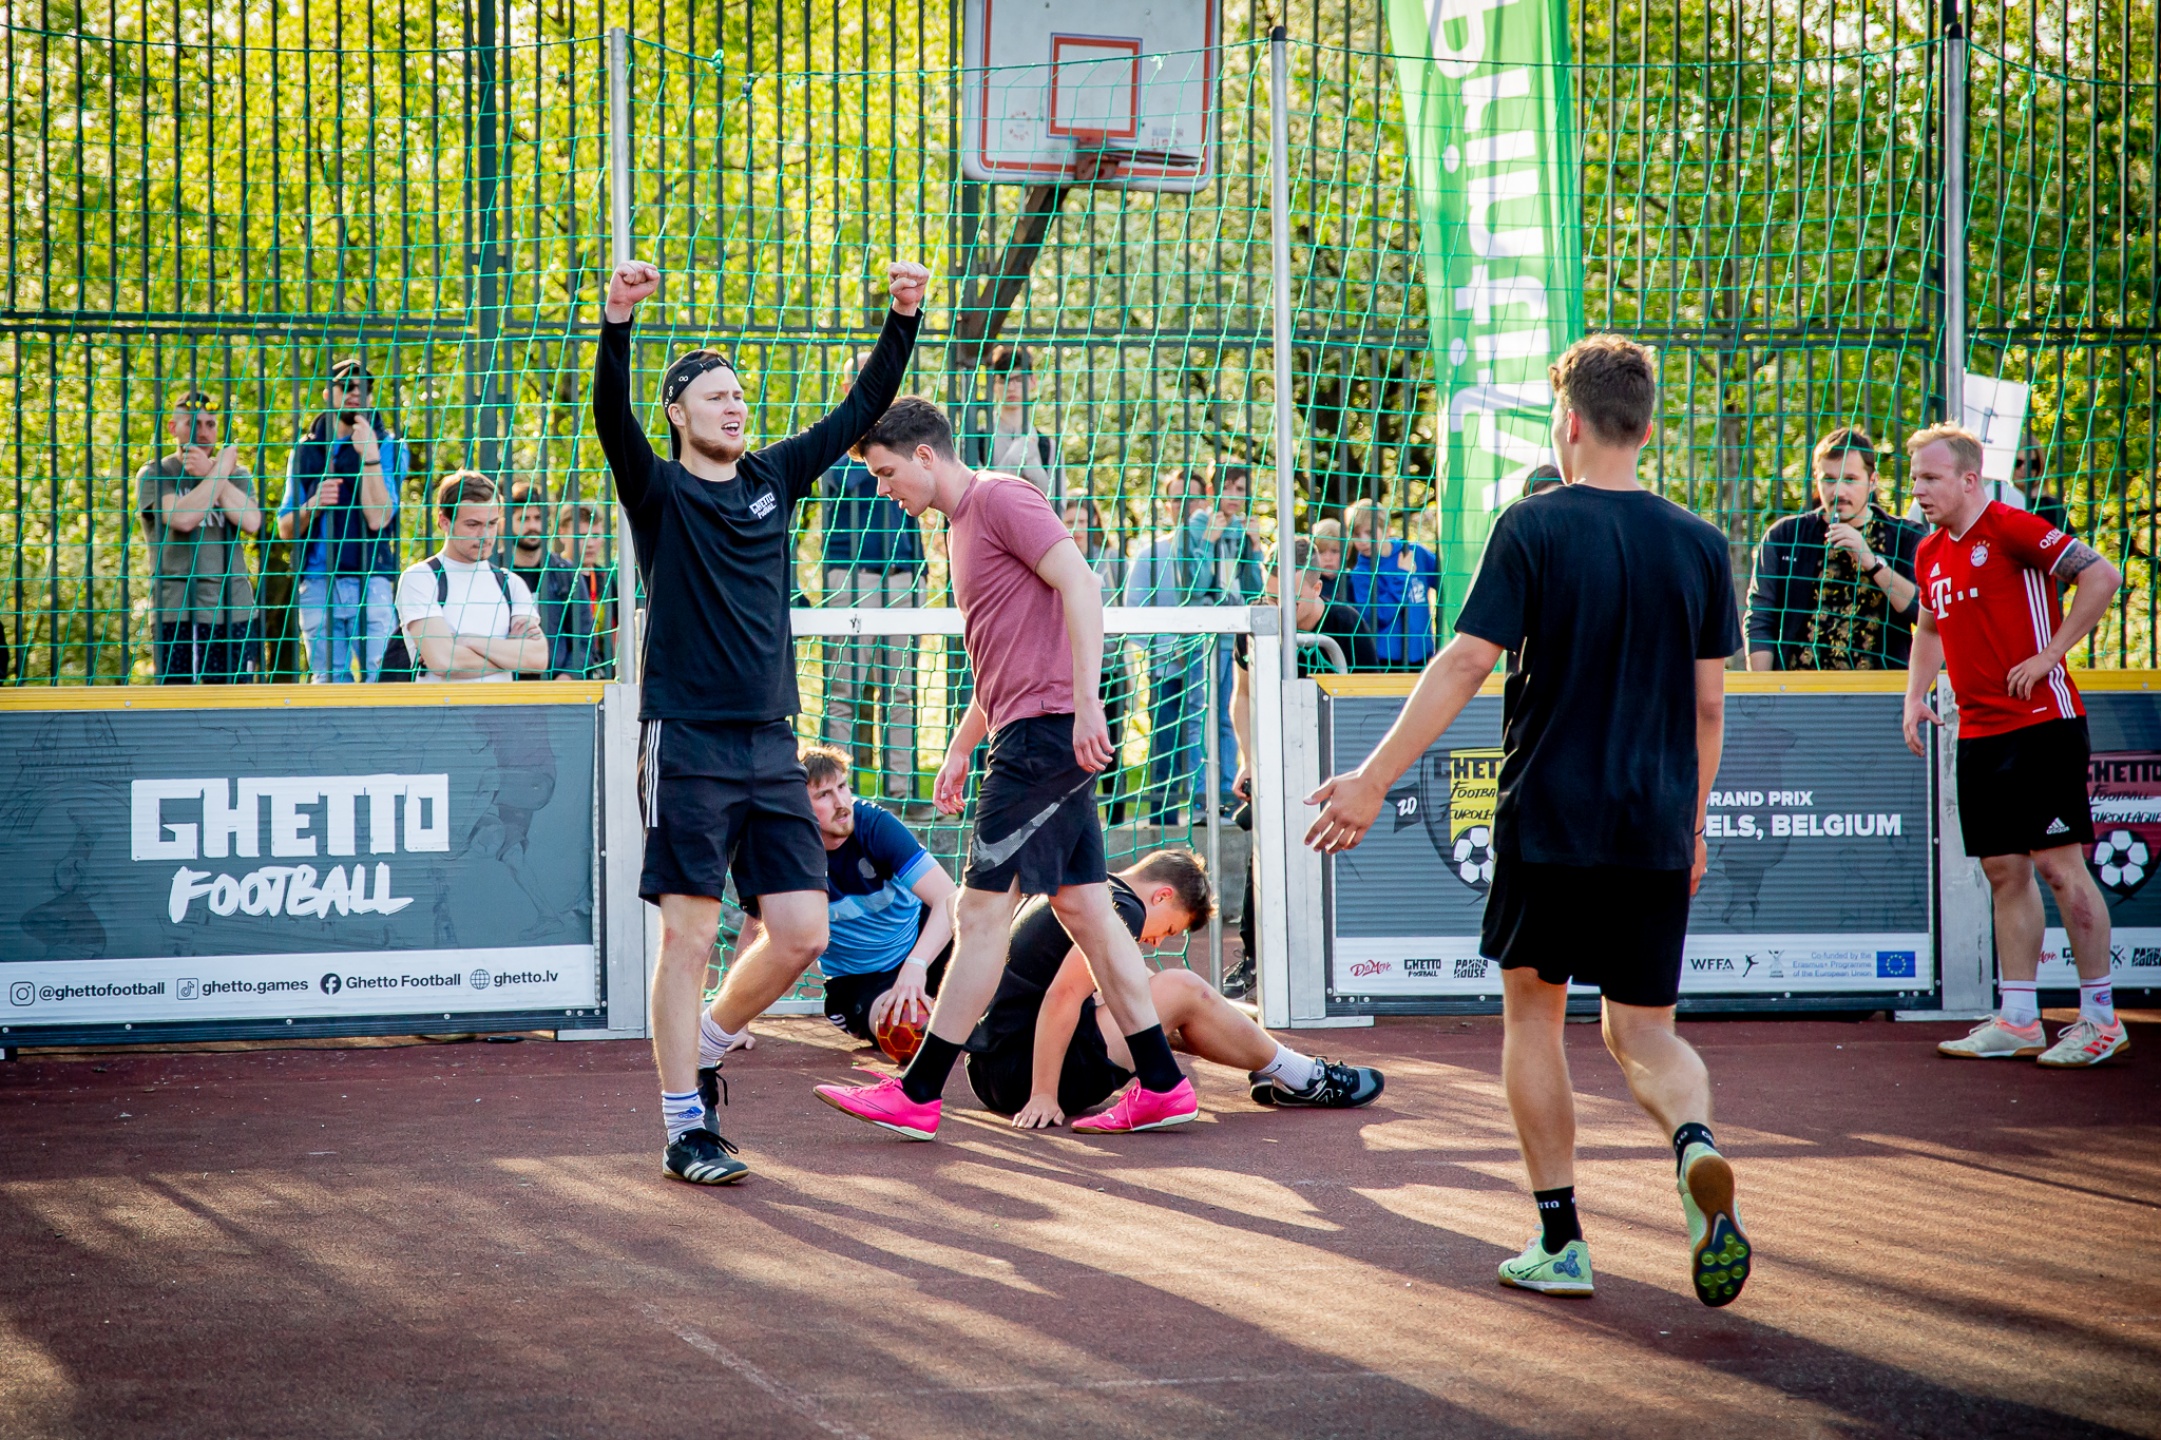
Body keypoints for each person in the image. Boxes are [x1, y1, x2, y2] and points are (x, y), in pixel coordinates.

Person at [1305, 335, 1750, 1308]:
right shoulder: (1699, 544)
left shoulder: (1532, 526)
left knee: (1534, 1014)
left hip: (1550, 816)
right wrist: (1691, 824)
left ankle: (1561, 1240)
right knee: (1645, 1032)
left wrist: (1373, 779)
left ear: (1570, 422)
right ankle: (1693, 1143)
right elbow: (1709, 707)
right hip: (1652, 824)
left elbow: (1466, 662)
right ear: (1644, 427)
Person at [592, 255, 926, 1187]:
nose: (734, 407)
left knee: (802, 933)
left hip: (771, 741)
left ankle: (702, 1045)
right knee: (690, 938)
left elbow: (860, 409)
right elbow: (609, 417)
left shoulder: (774, 475)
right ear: (678, 413)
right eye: (715, 396)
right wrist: (617, 321)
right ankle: (681, 1128)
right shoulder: (658, 490)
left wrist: (902, 318)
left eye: (740, 395)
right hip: (686, 739)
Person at [817, 398, 1201, 1139]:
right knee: (1087, 912)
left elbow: (1081, 584)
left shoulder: (1000, 498)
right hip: (1026, 733)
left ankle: (918, 1092)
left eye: (886, 472)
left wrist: (1086, 705)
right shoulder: (960, 525)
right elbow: (1006, 655)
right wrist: (963, 744)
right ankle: (1161, 1084)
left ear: (924, 455)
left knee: (980, 914)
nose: (881, 488)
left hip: (1040, 742)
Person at [1901, 423, 2128, 1068]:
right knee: (2004, 871)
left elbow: (2103, 576)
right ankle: (2020, 1019)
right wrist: (1914, 696)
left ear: (1969, 479)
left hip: (2042, 725)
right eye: (1915, 479)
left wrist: (2051, 654)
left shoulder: (2011, 527)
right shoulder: (1929, 551)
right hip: (1978, 731)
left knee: (2059, 867)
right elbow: (1928, 629)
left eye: (1931, 478)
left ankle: (2101, 1019)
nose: (1919, 491)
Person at [964, 848, 1384, 1125]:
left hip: (991, 1072)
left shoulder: (1085, 889)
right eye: (1168, 930)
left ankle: (1282, 1070)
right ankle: (1306, 1077)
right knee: (1180, 987)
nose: (1155, 942)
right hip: (1023, 1077)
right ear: (1162, 895)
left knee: (1157, 995)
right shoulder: (1120, 908)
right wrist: (1042, 1094)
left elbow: (1131, 1005)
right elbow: (1063, 996)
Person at [707, 745, 956, 1099]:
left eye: (842, 787)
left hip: (920, 948)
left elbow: (949, 899)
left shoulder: (874, 825)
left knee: (988, 950)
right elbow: (756, 934)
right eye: (824, 794)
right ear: (798, 806)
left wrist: (916, 965)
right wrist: (737, 1020)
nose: (841, 802)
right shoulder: (787, 851)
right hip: (860, 981)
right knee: (910, 1033)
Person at [1225, 538, 1377, 992]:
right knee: (1262, 849)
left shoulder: (1346, 624)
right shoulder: (1257, 623)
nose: (1278, 608)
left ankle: (1354, 957)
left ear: (1317, 587)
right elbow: (1242, 696)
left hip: (1335, 759)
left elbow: (1369, 704)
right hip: (1278, 753)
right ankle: (1254, 958)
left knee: (1340, 854)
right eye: (1271, 597)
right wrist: (1249, 759)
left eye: (1289, 599)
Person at [820, 349, 925, 805]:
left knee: (900, 691)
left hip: (903, 577)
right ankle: (835, 794)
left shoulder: (910, 438)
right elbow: (843, 482)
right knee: (845, 688)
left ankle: (901, 793)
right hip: (852, 576)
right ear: (848, 388)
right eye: (865, 377)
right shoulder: (835, 439)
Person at [1746, 427, 1924, 671]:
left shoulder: (1906, 536)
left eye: (1850, 479)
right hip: (1798, 685)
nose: (1838, 491)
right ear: (1816, 479)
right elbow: (1759, 618)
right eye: (1829, 479)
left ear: (1872, 481)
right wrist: (1763, 688)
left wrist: (1871, 562)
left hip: (1880, 685)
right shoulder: (1785, 536)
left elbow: (1925, 614)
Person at [278, 358, 407, 682]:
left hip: (371, 579)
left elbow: (379, 517)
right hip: (317, 582)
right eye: (346, 386)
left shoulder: (389, 446)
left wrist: (369, 456)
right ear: (328, 392)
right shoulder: (305, 450)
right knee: (328, 682)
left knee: (383, 678)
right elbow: (285, 530)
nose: (355, 393)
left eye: (364, 388)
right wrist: (313, 505)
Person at [136, 389, 262, 683]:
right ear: (173, 428)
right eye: (193, 423)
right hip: (178, 611)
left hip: (234, 608)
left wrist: (214, 472)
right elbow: (182, 518)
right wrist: (218, 472)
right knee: (180, 702)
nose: (203, 433)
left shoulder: (238, 475)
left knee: (235, 701)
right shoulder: (157, 473)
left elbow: (252, 521)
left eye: (210, 424)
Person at [394, 471, 549, 682]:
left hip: (502, 704)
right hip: (443, 704)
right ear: (444, 522)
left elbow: (537, 659)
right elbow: (444, 661)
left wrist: (467, 640)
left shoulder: (511, 584)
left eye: (492, 523)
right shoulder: (421, 579)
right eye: (473, 525)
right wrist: (511, 656)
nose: (484, 535)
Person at [1123, 466, 1214, 824]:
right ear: (1166, 505)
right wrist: (1170, 646)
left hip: (1209, 668)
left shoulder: (1217, 546)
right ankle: (1163, 819)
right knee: (1165, 745)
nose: (1183, 506)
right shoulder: (1151, 554)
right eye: (1176, 499)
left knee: (1208, 741)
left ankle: (1208, 811)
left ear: (1204, 501)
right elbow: (1134, 614)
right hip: (1166, 670)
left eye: (1191, 499)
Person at [1065, 497, 1134, 823]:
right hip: (1071, 669)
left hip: (1109, 666)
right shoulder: (1059, 558)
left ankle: (1116, 816)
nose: (1076, 528)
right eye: (1070, 521)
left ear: (1094, 522)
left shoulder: (1112, 560)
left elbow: (1125, 607)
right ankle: (1080, 815)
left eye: (1082, 521)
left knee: (1110, 742)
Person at [1339, 497, 1442, 671]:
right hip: (1387, 658)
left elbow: (1444, 582)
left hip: (1423, 652)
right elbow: (1378, 616)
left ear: (1387, 529)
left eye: (1369, 533)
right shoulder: (1361, 574)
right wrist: (1401, 575)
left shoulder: (1414, 552)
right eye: (1356, 534)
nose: (1363, 540)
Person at [496, 479, 582, 679]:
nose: (533, 526)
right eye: (523, 519)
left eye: (538, 518)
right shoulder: (492, 573)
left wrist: (567, 677)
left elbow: (583, 636)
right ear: (505, 524)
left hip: (555, 686)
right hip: (503, 683)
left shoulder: (565, 572)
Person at [964, 344, 1060, 502]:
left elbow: (1056, 505)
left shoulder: (1048, 446)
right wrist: (1016, 456)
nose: (1011, 387)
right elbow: (977, 500)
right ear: (993, 384)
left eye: (1018, 379)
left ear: (1033, 381)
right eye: (1003, 380)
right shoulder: (975, 441)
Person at [549, 502, 615, 679]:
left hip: (604, 676)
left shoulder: (607, 579)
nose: (590, 543)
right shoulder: (553, 575)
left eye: (596, 535)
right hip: (563, 676)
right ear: (562, 533)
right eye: (581, 536)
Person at [1310, 517, 1348, 601]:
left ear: (1347, 553)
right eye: (1321, 551)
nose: (1328, 558)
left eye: (1334, 551)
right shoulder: (1309, 583)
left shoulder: (1352, 582)